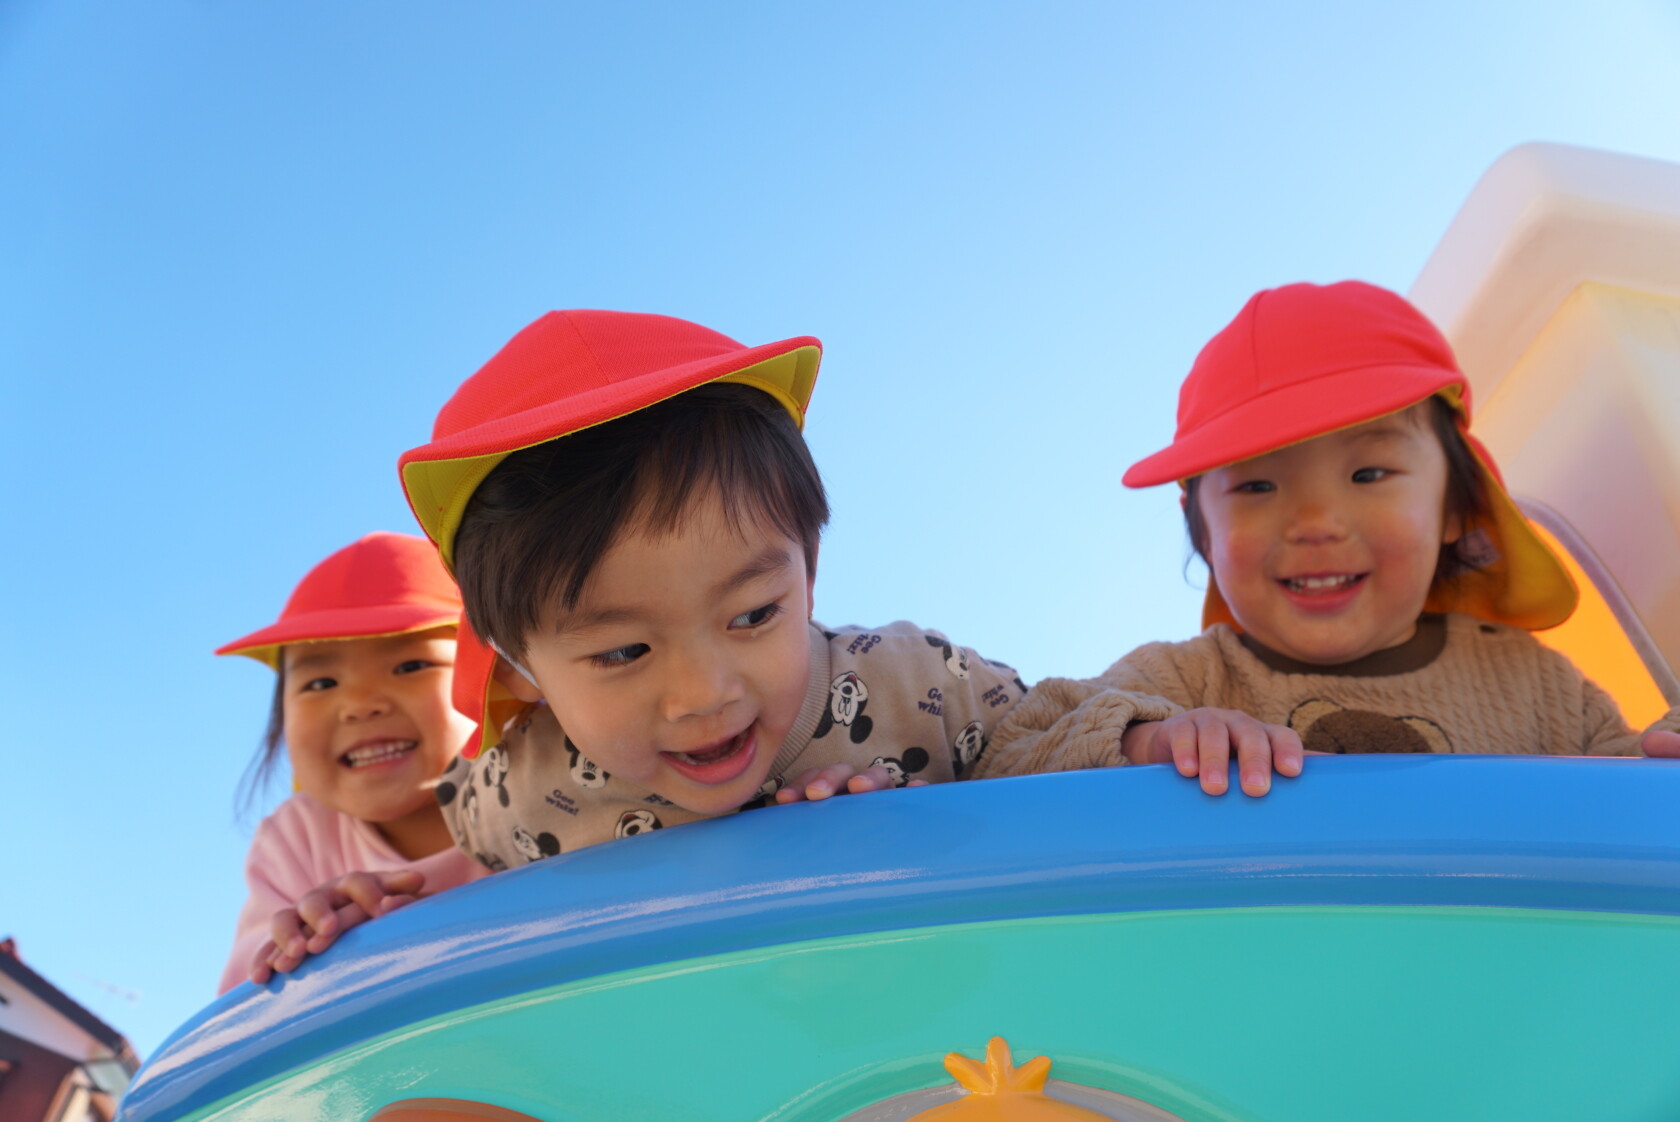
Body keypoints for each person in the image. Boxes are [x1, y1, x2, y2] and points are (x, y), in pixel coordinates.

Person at [973, 281, 1680, 798]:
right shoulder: (1184, 681)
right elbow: (1005, 756)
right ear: (1206, 535)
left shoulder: (1539, 684)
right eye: (1258, 486)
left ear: (1456, 509)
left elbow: (1635, 806)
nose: (1314, 522)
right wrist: (1146, 742)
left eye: (1368, 473)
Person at [393, 310, 1028, 871]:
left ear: (807, 575)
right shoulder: (518, 785)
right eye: (624, 652)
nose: (704, 694)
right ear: (518, 667)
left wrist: (944, 821)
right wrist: (386, 903)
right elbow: (471, 878)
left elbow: (1058, 738)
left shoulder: (917, 689)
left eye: (753, 614)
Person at [215, 532, 484, 992]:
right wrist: (305, 941)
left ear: (499, 676)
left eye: (410, 666)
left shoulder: (555, 782)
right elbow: (248, 999)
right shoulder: (298, 837)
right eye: (321, 684)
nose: (360, 705)